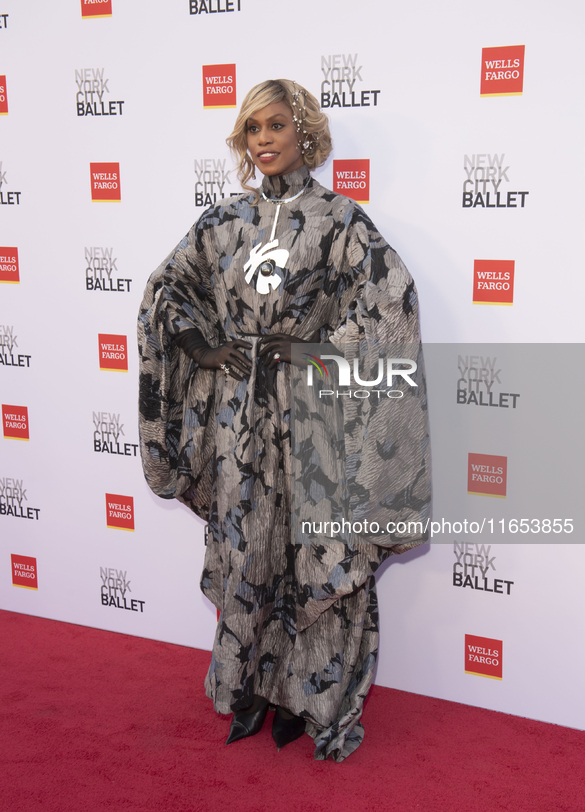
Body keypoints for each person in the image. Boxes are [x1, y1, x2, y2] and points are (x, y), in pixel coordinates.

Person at [138, 79, 430, 762]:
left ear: (304, 129)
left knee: (309, 555)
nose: (262, 140)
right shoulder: (223, 221)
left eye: (274, 125)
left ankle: (308, 696)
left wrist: (309, 356)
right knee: (248, 547)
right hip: (239, 422)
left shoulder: (338, 220)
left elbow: (388, 307)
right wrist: (205, 348)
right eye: (251, 130)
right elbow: (167, 289)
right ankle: (251, 688)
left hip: (316, 420)